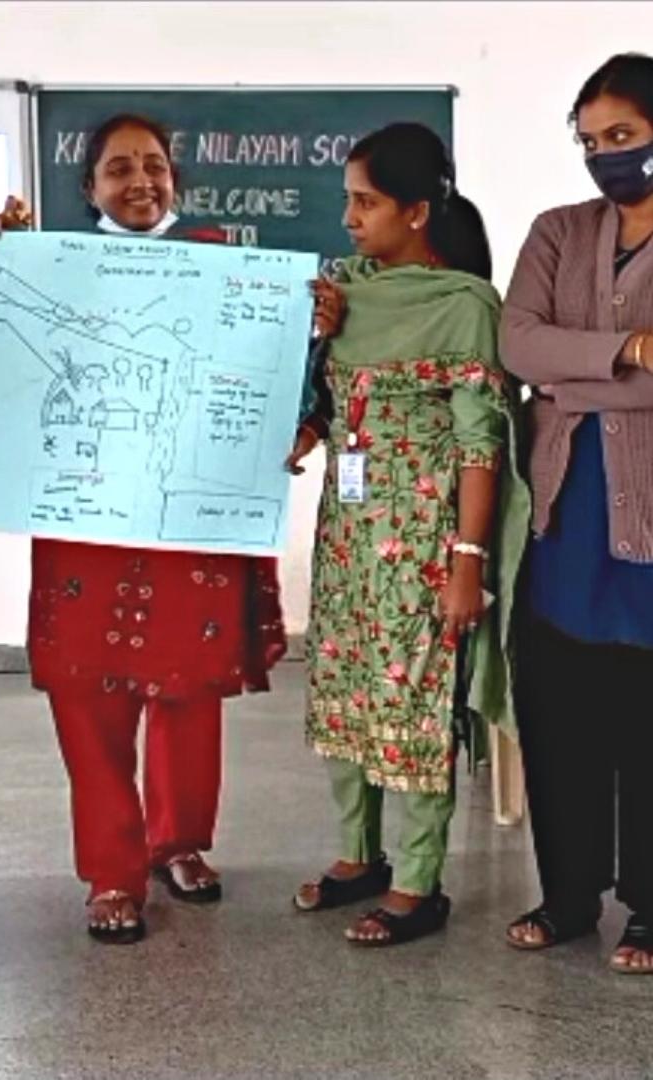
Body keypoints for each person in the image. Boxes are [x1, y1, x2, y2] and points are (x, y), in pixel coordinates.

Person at [0, 114, 288, 944]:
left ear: (176, 181)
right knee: (90, 693)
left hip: (185, 514)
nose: (139, 183)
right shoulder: (53, 269)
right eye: (118, 169)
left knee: (188, 685)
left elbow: (264, 373)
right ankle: (111, 873)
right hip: (84, 513)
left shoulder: (225, 265)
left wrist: (314, 322)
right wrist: (2, 265)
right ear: (88, 188)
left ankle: (179, 843)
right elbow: (0, 359)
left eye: (154, 167)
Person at [287, 122, 527, 946]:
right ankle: (360, 855)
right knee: (347, 690)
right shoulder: (344, 293)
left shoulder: (461, 307)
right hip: (348, 539)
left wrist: (467, 563)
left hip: (423, 546)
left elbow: (478, 444)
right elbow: (322, 402)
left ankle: (421, 882)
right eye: (348, 200)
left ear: (417, 211)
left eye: (367, 202)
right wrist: (312, 351)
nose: (350, 218)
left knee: (418, 703)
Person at [501, 53, 653, 973]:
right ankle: (566, 895)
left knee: (645, 720)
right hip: (565, 520)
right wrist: (634, 349)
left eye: (625, 138)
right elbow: (518, 344)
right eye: (591, 141)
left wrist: (576, 376)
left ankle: (649, 907)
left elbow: (550, 368)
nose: (605, 158)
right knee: (560, 711)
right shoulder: (559, 231)